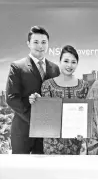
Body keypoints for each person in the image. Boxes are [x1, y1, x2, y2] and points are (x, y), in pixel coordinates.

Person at [6, 26, 60, 154]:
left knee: (43, 170)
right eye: (35, 42)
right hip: (23, 129)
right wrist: (34, 119)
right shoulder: (17, 66)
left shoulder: (55, 68)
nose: (40, 46)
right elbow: (11, 98)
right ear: (28, 44)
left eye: (43, 42)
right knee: (21, 171)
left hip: (47, 132)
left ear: (48, 44)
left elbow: (58, 97)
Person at [29, 45, 89, 155]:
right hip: (52, 143)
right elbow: (45, 112)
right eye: (66, 61)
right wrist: (37, 101)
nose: (69, 65)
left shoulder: (84, 85)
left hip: (76, 142)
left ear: (77, 64)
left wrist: (83, 133)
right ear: (60, 61)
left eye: (73, 62)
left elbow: (86, 114)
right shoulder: (47, 84)